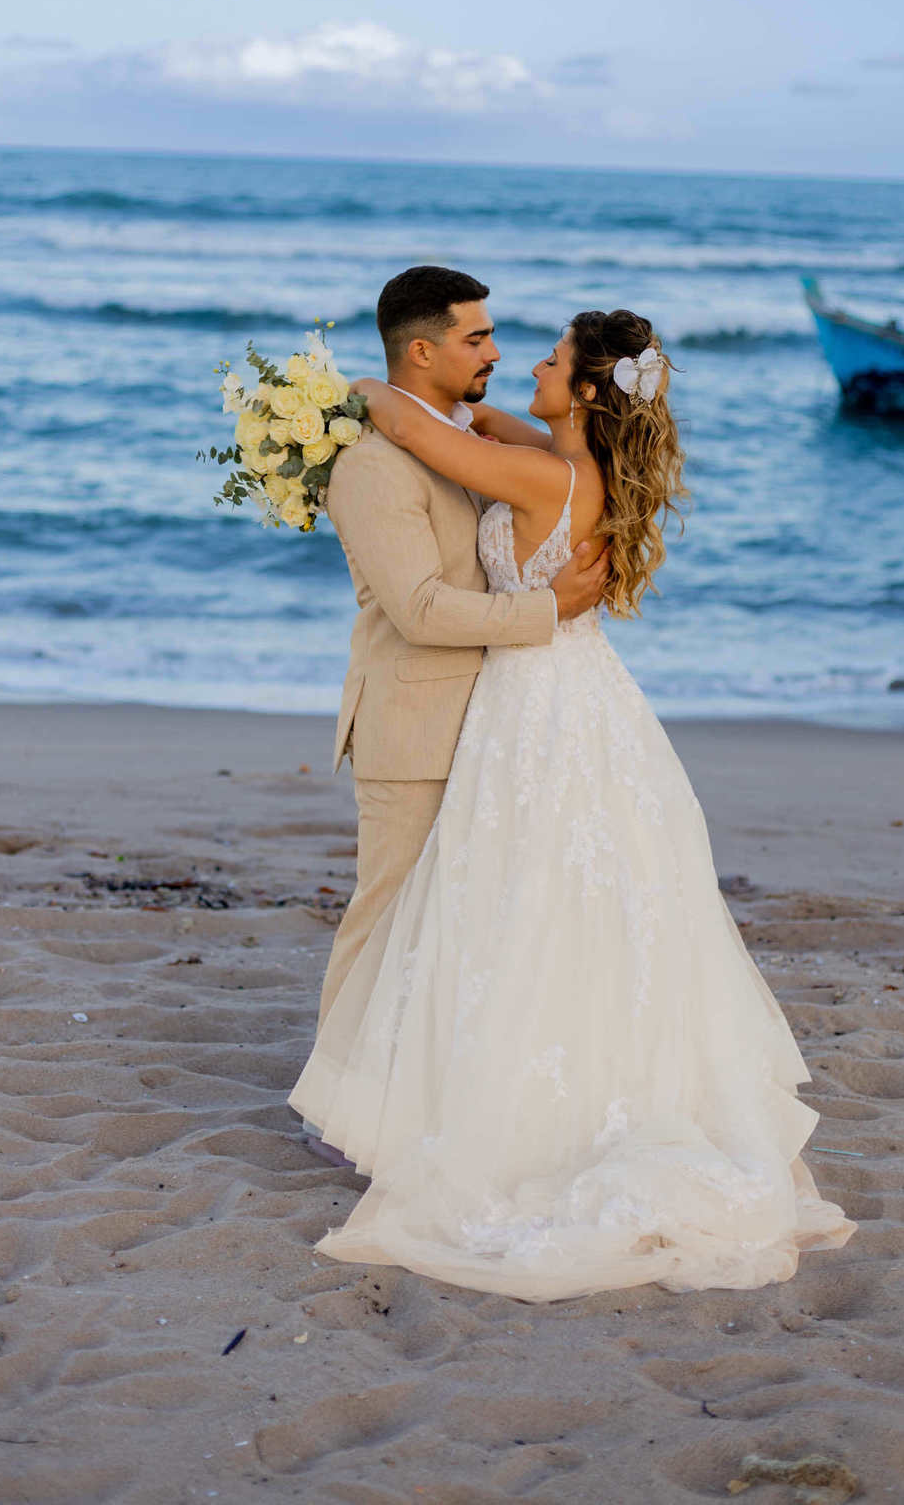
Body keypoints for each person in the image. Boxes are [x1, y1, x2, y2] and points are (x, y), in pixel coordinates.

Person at [289, 306, 857, 1300]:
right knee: (567, 899)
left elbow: (428, 435)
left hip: (538, 700)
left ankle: (476, 1107)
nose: (532, 368)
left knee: (513, 897)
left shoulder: (547, 478)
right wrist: (497, 409)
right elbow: (493, 425)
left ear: (589, 392)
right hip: (579, 693)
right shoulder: (561, 459)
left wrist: (353, 392)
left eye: (551, 361)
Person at [302, 268, 609, 1162]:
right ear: (423, 350)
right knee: (386, 916)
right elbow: (421, 611)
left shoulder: (464, 436)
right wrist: (548, 612)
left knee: (455, 926)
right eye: (478, 338)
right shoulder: (373, 462)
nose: (498, 351)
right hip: (414, 722)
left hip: (494, 722)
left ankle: (420, 1096)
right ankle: (334, 1111)